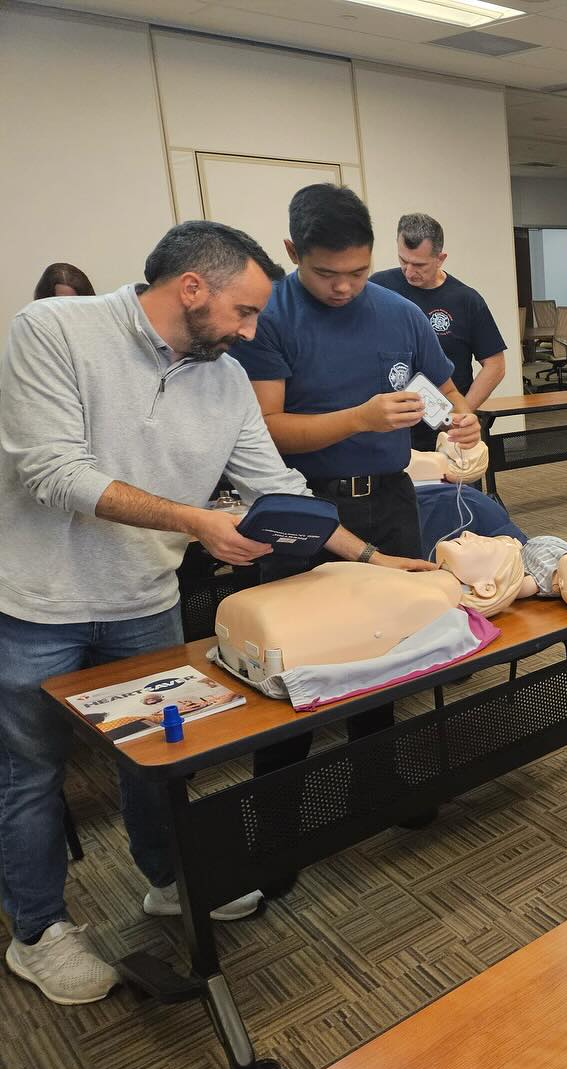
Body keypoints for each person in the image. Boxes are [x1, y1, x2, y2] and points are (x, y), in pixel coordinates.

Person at [0, 221, 430, 1006]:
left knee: (158, 758)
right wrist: (199, 522)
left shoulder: (222, 374)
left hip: (142, 600)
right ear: (192, 289)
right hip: (39, 604)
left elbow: (279, 490)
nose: (251, 331)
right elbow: (54, 473)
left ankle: (169, 879)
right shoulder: (55, 330)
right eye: (244, 311)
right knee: (31, 773)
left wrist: (368, 558)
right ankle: (39, 932)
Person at [231, 183, 480, 841]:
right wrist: (359, 419)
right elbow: (268, 430)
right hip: (303, 507)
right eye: (326, 273)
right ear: (292, 252)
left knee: (388, 644)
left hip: (390, 500)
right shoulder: (270, 317)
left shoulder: (397, 312)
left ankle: (378, 782)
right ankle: (277, 822)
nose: (344, 288)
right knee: (294, 659)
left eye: (358, 272)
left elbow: (436, 391)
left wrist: (460, 421)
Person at [371, 213, 507, 450]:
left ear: (440, 258)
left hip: (445, 430)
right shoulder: (379, 287)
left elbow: (495, 365)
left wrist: (459, 414)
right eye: (403, 260)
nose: (409, 271)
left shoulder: (466, 300)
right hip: (392, 428)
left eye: (419, 265)